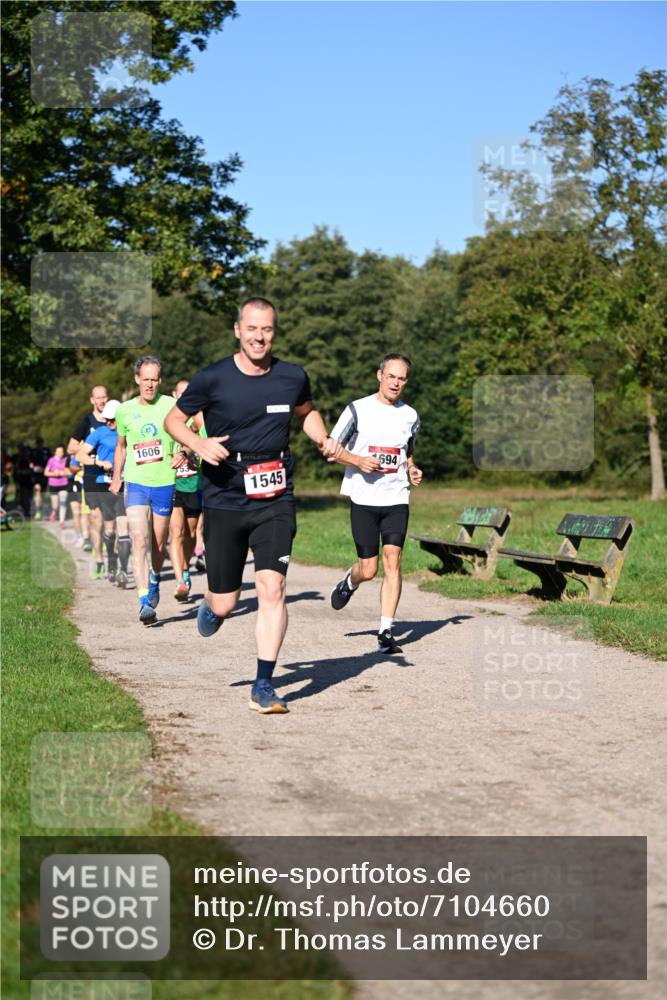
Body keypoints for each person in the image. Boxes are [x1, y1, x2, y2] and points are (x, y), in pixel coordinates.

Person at [164, 296, 331, 715]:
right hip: (225, 496)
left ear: (275, 332)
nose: (259, 337)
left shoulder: (292, 376)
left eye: (267, 329)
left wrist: (322, 437)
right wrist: (199, 443)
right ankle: (212, 607)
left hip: (276, 495)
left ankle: (263, 684)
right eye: (252, 328)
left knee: (273, 588)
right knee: (226, 602)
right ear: (238, 330)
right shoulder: (213, 377)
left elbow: (307, 412)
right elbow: (173, 420)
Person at [326, 353, 423, 654]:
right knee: (368, 569)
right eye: (391, 376)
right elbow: (331, 448)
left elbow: (407, 451)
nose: (395, 383)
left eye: (401, 378)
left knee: (393, 560)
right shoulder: (357, 409)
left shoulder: (411, 415)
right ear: (379, 375)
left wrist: (412, 469)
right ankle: (350, 582)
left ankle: (385, 631)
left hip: (396, 497)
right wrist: (358, 461)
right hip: (364, 498)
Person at [110, 356, 183, 623]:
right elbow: (121, 446)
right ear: (137, 379)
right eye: (145, 379)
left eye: (154, 379)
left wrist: (183, 453)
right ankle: (143, 601)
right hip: (136, 481)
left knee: (158, 543)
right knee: (139, 537)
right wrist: (116, 477)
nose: (150, 384)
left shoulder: (172, 405)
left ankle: (154, 577)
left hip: (164, 481)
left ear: (160, 380)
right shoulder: (125, 410)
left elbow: (186, 437)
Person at [77, 400, 131, 586]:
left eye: (112, 420)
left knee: (124, 530)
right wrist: (98, 463)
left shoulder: (130, 431)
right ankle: (111, 564)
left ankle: (123, 571)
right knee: (109, 530)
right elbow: (80, 455)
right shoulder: (100, 433)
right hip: (105, 485)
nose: (109, 423)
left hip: (125, 484)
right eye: (106, 419)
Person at [168, 379, 205, 601]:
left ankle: (185, 568)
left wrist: (192, 455)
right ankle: (180, 580)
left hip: (194, 484)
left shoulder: (198, 420)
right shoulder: (167, 419)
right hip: (172, 484)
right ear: (174, 395)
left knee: (191, 534)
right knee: (177, 533)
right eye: (181, 394)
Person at [68, 385, 109, 557]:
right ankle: (97, 550)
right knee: (95, 516)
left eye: (104, 397)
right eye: (98, 398)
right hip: (92, 474)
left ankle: (109, 546)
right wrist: (91, 447)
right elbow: (71, 447)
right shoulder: (87, 421)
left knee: (113, 517)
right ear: (92, 400)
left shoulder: (114, 420)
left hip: (112, 474)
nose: (102, 401)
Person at [44, 446, 71, 527]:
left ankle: (61, 522)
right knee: (55, 505)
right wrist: (54, 474)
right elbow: (45, 473)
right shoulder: (51, 460)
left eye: (61, 452)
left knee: (63, 503)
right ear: (55, 452)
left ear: (63, 453)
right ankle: (54, 513)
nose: (60, 453)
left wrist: (62, 473)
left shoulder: (66, 460)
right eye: (58, 451)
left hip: (64, 484)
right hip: (53, 484)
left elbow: (69, 472)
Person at [30, 437, 51, 521]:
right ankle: (38, 510)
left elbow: (50, 461)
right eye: (38, 443)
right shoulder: (33, 451)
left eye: (40, 442)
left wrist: (46, 469)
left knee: (43, 493)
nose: (39, 444)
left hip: (44, 475)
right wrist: (33, 467)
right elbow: (30, 462)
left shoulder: (46, 451)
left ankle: (42, 509)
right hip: (36, 475)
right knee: (37, 490)